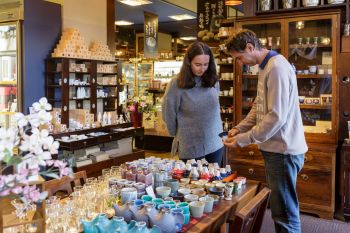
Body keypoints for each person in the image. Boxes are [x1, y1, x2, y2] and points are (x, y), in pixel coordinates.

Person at [223, 29, 308, 233]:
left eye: (240, 57)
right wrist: (239, 127)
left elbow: (275, 116)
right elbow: (259, 106)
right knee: (280, 210)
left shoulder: (276, 67)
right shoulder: (265, 66)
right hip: (276, 149)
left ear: (251, 47)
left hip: (283, 151)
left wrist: (245, 138)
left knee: (284, 213)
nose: (240, 63)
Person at [162, 41, 223, 164]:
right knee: (192, 182)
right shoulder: (176, 83)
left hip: (215, 142)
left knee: (215, 181)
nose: (202, 69)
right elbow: (168, 113)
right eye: (198, 64)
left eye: (206, 64)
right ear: (188, 62)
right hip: (190, 144)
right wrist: (176, 134)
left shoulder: (213, 80)